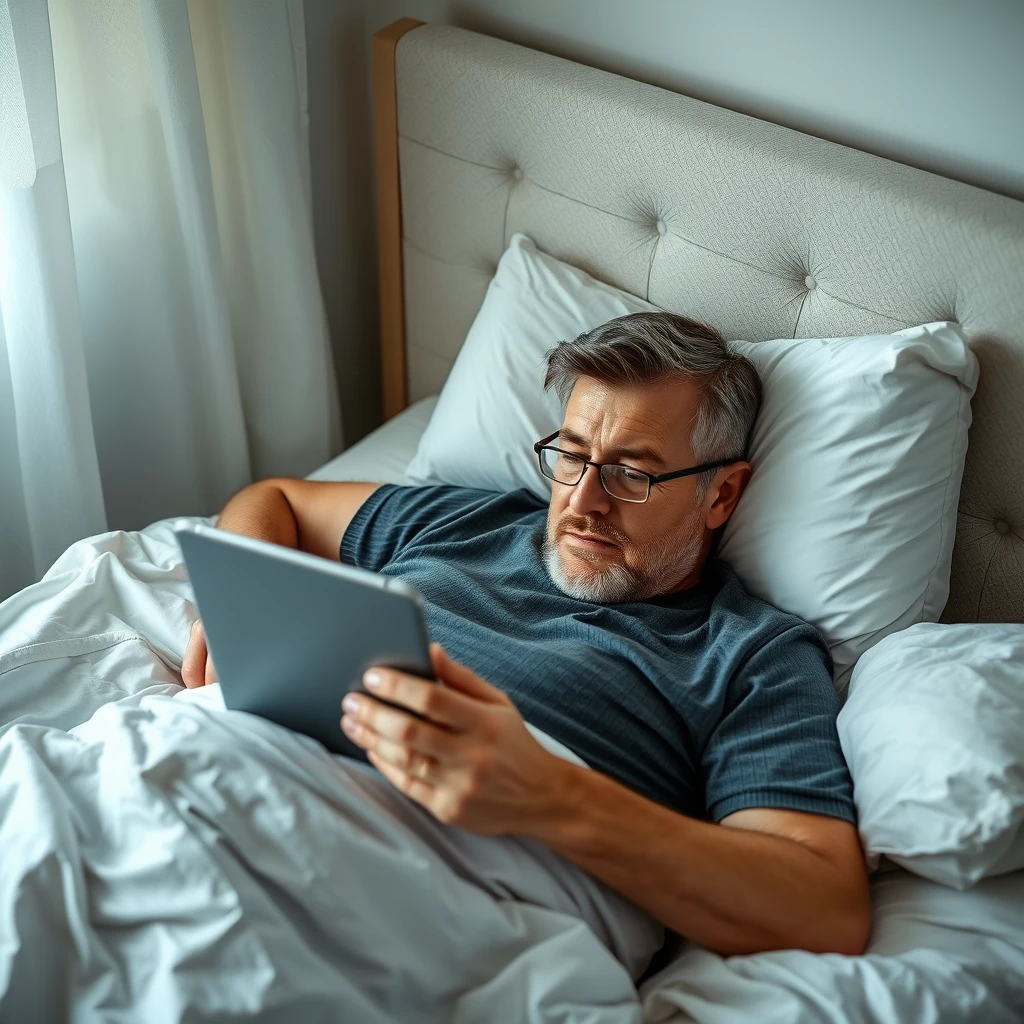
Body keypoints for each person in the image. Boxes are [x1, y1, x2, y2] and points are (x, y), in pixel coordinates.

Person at [182, 311, 870, 958]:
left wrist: (545, 791)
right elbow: (274, 500)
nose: (582, 502)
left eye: (631, 474)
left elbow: (824, 905)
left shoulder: (752, 654)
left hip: (414, 888)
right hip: (221, 771)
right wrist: (226, 604)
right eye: (570, 456)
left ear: (721, 495)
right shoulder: (472, 521)